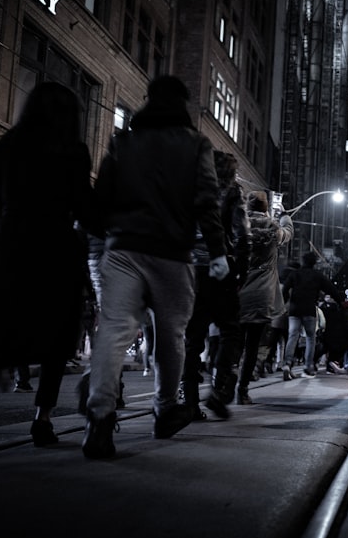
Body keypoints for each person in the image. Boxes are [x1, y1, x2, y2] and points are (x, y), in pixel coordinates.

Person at [0, 82, 100, 453]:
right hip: (56, 248)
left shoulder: (6, 147)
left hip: (10, 245)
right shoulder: (73, 153)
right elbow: (85, 209)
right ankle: (42, 420)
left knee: (4, 331)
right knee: (58, 340)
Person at [81, 75, 230, 460]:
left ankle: (99, 419)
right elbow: (206, 201)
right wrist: (217, 251)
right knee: (171, 336)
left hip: (123, 248)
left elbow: (100, 199)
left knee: (114, 331)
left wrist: (107, 234)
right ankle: (165, 410)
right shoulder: (196, 145)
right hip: (171, 253)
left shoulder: (123, 142)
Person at [181, 150, 251, 420]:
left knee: (193, 336)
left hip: (191, 268)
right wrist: (240, 273)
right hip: (221, 266)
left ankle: (189, 401)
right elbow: (242, 236)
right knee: (230, 330)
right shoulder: (233, 194)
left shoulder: (190, 189)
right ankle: (219, 389)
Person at [237, 190, 294, 402]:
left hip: (237, 291)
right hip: (262, 295)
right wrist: (285, 215)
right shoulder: (272, 228)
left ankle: (221, 384)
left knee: (231, 342)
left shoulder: (239, 225)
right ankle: (242, 390)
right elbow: (288, 232)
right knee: (252, 344)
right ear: (265, 208)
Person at [282, 251, 347, 378]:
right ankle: (307, 367)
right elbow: (331, 289)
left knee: (292, 336)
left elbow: (285, 289)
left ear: (303, 261)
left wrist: (285, 303)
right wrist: (340, 302)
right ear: (314, 263)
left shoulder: (295, 274)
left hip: (294, 310)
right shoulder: (318, 276)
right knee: (311, 338)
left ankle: (287, 363)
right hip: (309, 310)